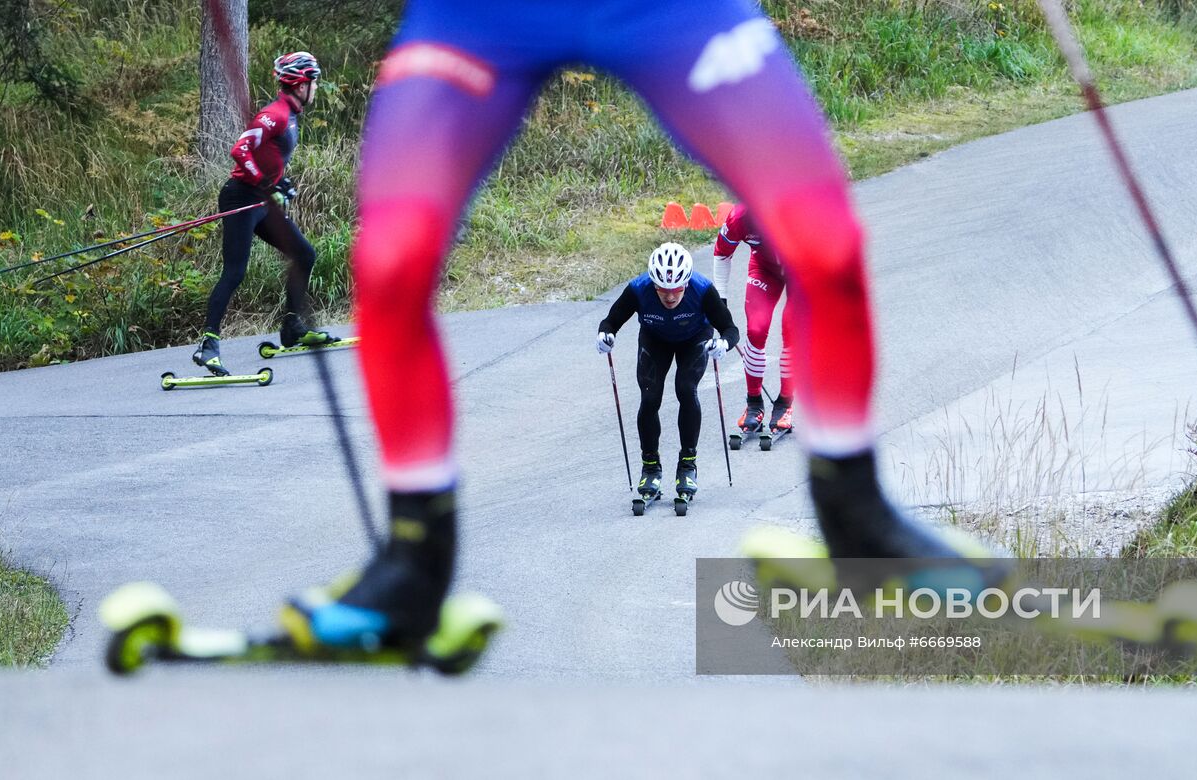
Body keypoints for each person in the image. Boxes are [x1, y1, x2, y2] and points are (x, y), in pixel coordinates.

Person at [289, 1, 1009, 652]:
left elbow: (731, 295)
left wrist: (721, 333)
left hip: (671, 12)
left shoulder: (688, 288)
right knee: (387, 261)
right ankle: (415, 563)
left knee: (827, 241)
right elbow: (629, 306)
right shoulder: (642, 290)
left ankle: (858, 522)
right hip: (482, 16)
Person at [193, 51, 336, 376]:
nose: (315, 86)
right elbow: (239, 150)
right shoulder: (276, 115)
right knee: (235, 272)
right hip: (241, 198)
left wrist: (279, 182)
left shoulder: (291, 114)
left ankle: (292, 326)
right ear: (301, 84)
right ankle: (208, 345)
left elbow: (268, 156)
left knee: (304, 254)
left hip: (261, 200)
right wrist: (263, 183)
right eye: (313, 81)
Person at [596, 242, 740, 501]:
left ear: (686, 283)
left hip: (694, 337)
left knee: (686, 389)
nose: (670, 297)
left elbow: (730, 329)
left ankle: (687, 465)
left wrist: (723, 344)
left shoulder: (703, 289)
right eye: (663, 291)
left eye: (676, 290)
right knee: (650, 398)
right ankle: (650, 467)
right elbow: (611, 321)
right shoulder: (639, 289)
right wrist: (605, 335)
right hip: (655, 339)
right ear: (653, 284)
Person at [712, 202, 793, 435]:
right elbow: (721, 255)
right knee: (756, 331)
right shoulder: (739, 217)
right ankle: (754, 403)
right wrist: (721, 299)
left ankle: (786, 403)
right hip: (765, 269)